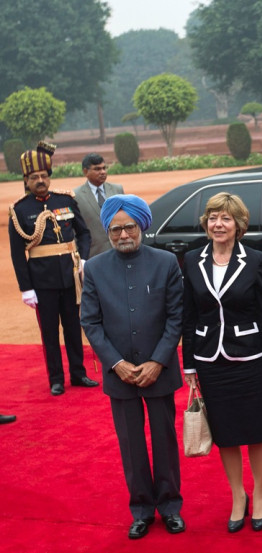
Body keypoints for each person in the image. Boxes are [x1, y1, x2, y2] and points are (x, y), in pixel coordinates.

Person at [80, 194, 186, 540]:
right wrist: (116, 363)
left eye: (129, 227)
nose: (123, 235)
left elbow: (175, 317)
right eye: (115, 230)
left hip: (160, 369)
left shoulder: (166, 262)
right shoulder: (94, 268)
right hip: (119, 374)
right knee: (132, 444)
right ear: (107, 232)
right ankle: (141, 509)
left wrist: (157, 360)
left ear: (141, 226)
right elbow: (91, 322)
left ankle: (170, 506)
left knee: (164, 440)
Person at [181, 192, 262, 534]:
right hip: (210, 360)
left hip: (249, 357)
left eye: (225, 218)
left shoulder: (255, 259)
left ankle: (260, 493)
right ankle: (237, 496)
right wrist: (190, 365)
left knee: (256, 430)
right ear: (205, 223)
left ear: (239, 224)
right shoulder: (193, 258)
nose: (218, 224)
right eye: (212, 218)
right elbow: (189, 315)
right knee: (225, 434)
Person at [8, 142, 98, 396]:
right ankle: (56, 379)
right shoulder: (19, 210)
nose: (40, 180)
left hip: (70, 278)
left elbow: (84, 233)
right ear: (26, 180)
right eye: (35, 177)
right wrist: (26, 289)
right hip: (42, 282)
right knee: (49, 333)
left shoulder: (65, 200)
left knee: (73, 327)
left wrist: (84, 259)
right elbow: (17, 254)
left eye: (44, 176)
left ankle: (79, 373)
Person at [73, 153, 124, 257]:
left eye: (104, 168)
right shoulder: (75, 196)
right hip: (93, 255)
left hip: (120, 251)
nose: (103, 172)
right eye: (97, 169)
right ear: (85, 171)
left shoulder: (117, 190)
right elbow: (75, 230)